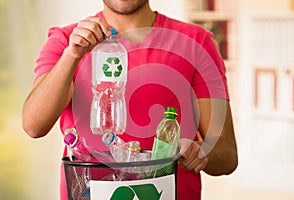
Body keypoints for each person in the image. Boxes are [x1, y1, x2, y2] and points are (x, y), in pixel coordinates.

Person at [22, 0, 238, 199]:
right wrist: (72, 55)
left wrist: (200, 151)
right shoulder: (66, 41)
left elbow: (227, 154)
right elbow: (34, 125)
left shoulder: (196, 42)